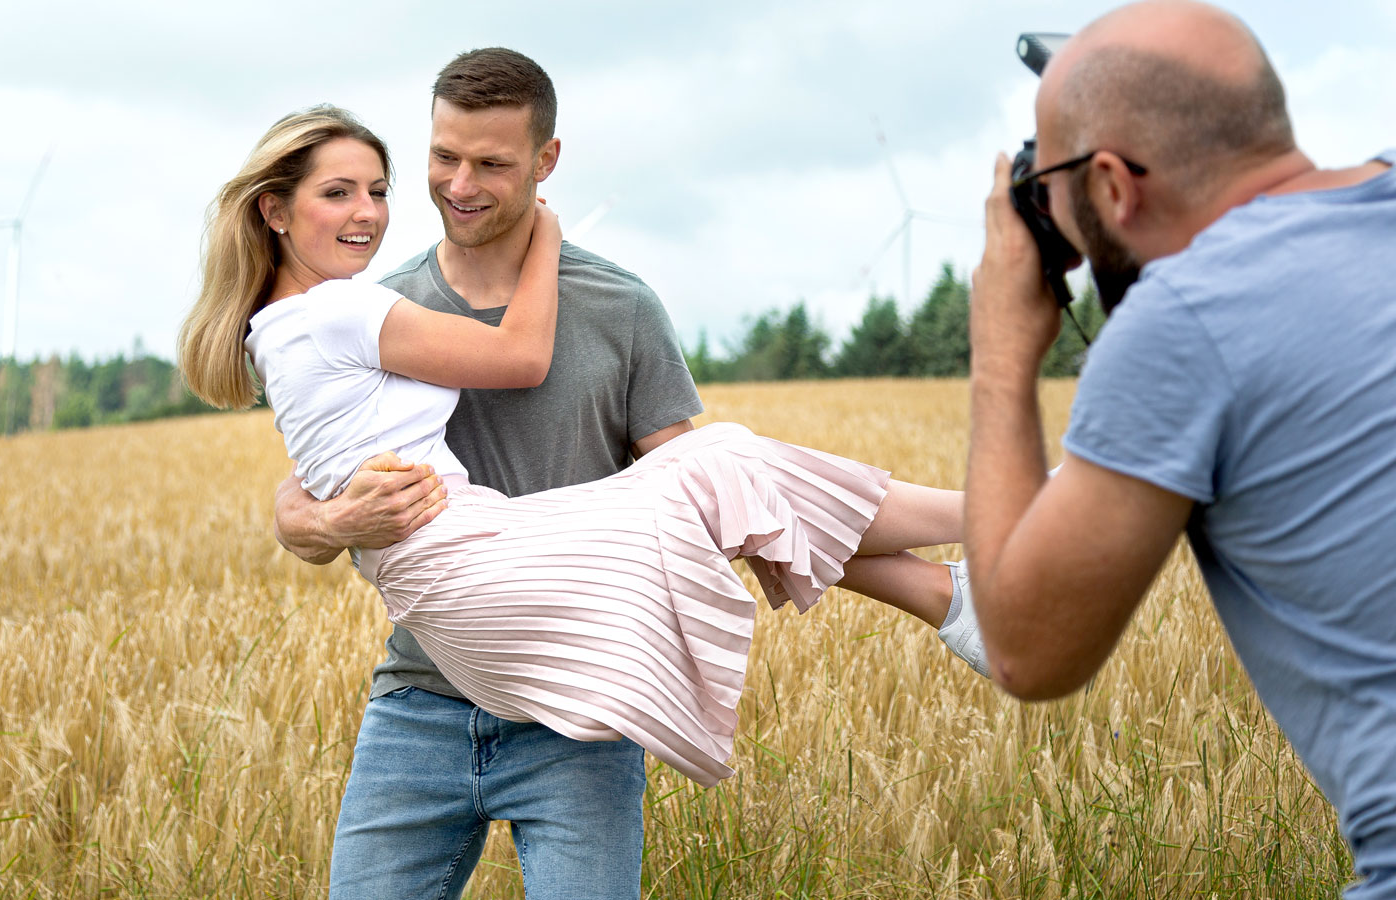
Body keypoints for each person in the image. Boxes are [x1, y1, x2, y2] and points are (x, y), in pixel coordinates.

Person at [184, 50, 984, 900]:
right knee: (725, 467)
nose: (456, 185)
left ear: (545, 162)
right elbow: (307, 481)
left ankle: (974, 564)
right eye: (441, 159)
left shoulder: (617, 307)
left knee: (720, 472)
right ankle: (989, 535)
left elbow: (718, 504)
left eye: (490, 163)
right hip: (425, 698)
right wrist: (329, 524)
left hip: (572, 711)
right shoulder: (374, 301)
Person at [964, 2, 1396, 897]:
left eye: (1052, 191)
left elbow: (1027, 652)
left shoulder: (1190, 318)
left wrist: (1002, 355)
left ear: (1114, 186)